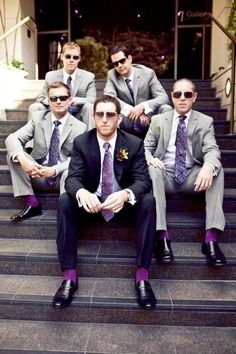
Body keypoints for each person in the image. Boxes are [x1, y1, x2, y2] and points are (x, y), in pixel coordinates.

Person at [53, 94, 157, 310]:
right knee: (65, 200)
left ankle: (142, 277)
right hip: (92, 204)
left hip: (121, 205)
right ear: (93, 117)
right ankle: (69, 276)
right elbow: (73, 178)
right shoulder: (82, 142)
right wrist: (82, 192)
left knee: (148, 201)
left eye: (110, 114)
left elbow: (143, 180)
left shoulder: (134, 144)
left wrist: (126, 194)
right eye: (100, 114)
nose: (105, 119)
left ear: (119, 119)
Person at [144, 78, 226, 266]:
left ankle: (211, 239)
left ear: (194, 97)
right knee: (152, 168)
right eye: (177, 94)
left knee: (217, 169)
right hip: (165, 175)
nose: (182, 98)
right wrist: (151, 158)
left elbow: (212, 150)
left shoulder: (205, 122)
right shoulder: (157, 121)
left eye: (187, 94)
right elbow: (145, 147)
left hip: (192, 177)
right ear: (172, 97)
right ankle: (161, 236)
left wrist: (208, 167)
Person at [5, 81, 87, 221]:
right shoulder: (38, 119)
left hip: (61, 178)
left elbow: (78, 159)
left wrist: (55, 170)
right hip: (37, 173)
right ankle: (32, 203)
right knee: (14, 153)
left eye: (62, 98)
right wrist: (24, 160)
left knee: (70, 170)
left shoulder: (80, 127)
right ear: (48, 102)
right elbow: (12, 138)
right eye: (54, 98)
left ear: (70, 100)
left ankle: (65, 211)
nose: (58, 101)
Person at [104, 45, 172, 137]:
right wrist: (134, 111)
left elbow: (164, 98)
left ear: (129, 59)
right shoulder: (112, 75)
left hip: (148, 118)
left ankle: (165, 147)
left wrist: (143, 107)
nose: (119, 65)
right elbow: (109, 98)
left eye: (122, 61)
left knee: (166, 108)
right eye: (116, 64)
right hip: (126, 119)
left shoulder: (147, 73)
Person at [28, 41, 96, 130]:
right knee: (34, 107)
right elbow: (41, 98)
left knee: (89, 107)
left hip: (77, 114)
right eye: (68, 56)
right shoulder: (50, 76)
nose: (71, 60)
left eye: (75, 57)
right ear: (62, 57)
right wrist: (53, 101)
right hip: (55, 112)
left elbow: (92, 100)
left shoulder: (88, 77)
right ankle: (31, 143)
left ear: (79, 59)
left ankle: (90, 141)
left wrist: (72, 100)